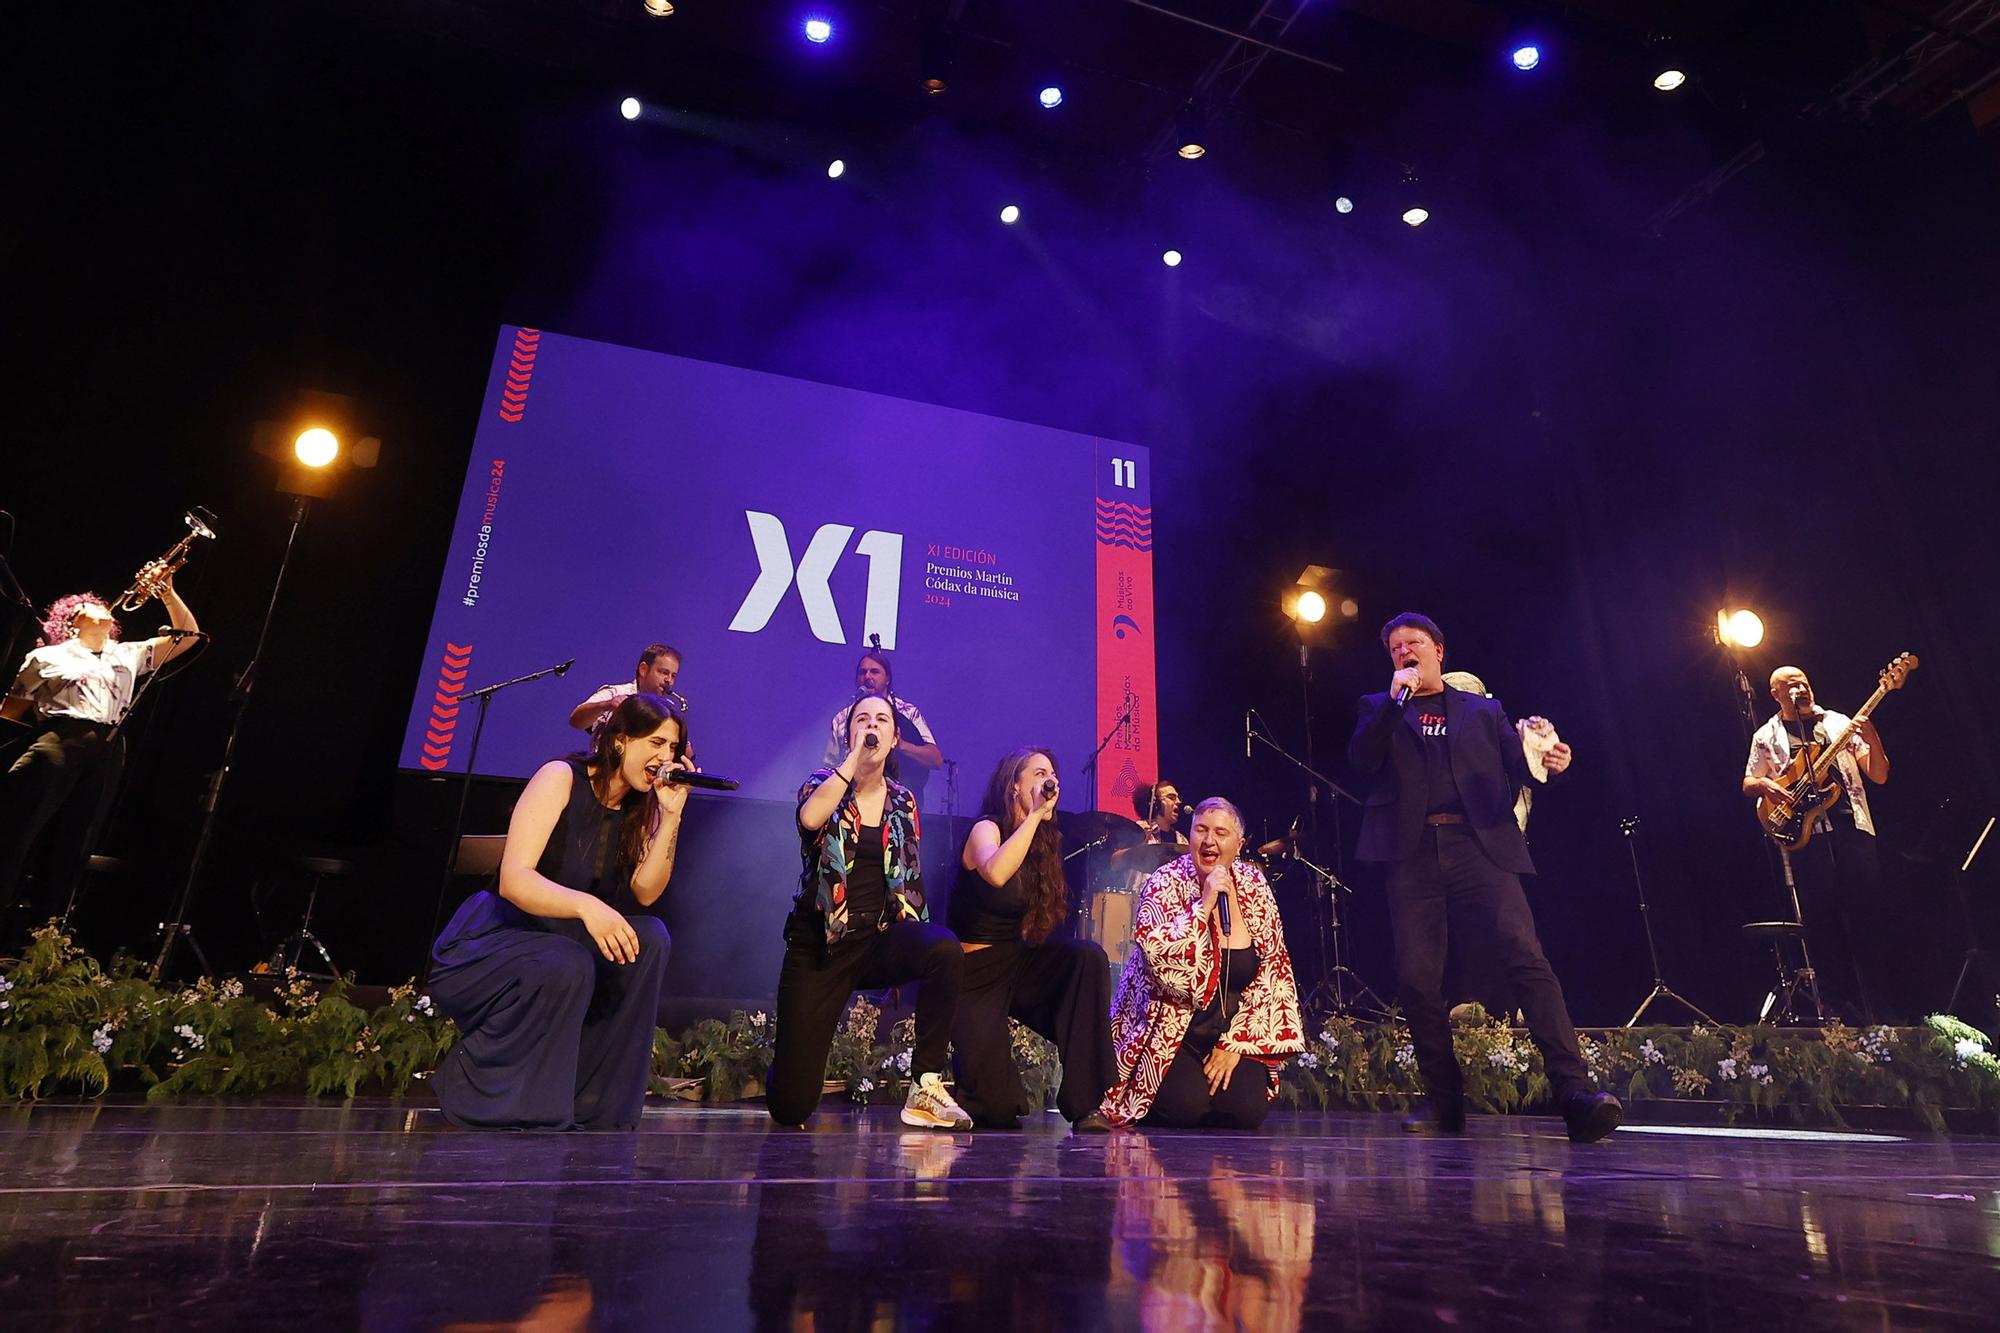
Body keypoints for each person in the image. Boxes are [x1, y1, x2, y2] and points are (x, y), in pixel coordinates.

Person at [1347, 612, 1622, 1143]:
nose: (1405, 651)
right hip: (1414, 853)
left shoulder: (1482, 709)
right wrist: (1394, 703)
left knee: (1526, 958)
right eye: (1395, 647)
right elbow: (1362, 758)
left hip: (1480, 845)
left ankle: (1575, 1094)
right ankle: (1443, 1106)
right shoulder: (1378, 708)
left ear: (1438, 651)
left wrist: (1551, 761)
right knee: (1417, 976)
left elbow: (1519, 767)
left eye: (1414, 643)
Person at [427, 692, 689, 1130]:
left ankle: (594, 1104)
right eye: (657, 744)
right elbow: (515, 880)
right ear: (621, 741)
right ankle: (504, 1103)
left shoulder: (641, 806)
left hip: (563, 944)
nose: (667, 757)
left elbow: (646, 892)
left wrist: (672, 817)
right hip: (494, 939)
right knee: (568, 961)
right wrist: (586, 906)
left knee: (651, 938)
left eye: (674, 748)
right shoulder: (559, 777)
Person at [767, 692, 971, 1129]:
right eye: (862, 719)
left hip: (876, 939)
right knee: (791, 1104)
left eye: (882, 720)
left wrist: (909, 956)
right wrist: (852, 762)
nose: (872, 726)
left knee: (943, 948)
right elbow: (810, 819)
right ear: (849, 733)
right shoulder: (822, 782)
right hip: (821, 943)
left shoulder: (903, 802)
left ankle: (926, 1085)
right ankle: (787, 1072)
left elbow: (910, 881)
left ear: (896, 737)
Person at [0, 577, 200, 933]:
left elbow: (190, 635)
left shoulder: (128, 653)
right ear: (73, 619)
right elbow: (10, 713)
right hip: (58, 741)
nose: (101, 607)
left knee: (76, 840)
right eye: (90, 605)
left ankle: (44, 933)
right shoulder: (45, 656)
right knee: (19, 829)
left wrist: (167, 590)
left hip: (108, 745)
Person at [1099, 797, 1304, 1129]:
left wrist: (1236, 1042)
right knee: (1185, 1110)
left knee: (1244, 1112)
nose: (1209, 841)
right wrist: (1205, 904)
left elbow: (1272, 968)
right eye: (1201, 831)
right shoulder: (1164, 883)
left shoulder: (1254, 885)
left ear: (1239, 844)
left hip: (1231, 1032)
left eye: (1221, 833)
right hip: (1170, 1031)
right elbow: (1164, 967)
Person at [948, 746, 1115, 1130]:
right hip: (974, 973)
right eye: (1038, 774)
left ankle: (1085, 1103)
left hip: (1015, 961)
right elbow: (995, 873)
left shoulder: (1042, 840)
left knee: (1085, 958)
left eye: (1052, 773)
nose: (1049, 780)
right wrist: (1036, 815)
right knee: (995, 1110)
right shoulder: (986, 828)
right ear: (1014, 787)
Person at [1742, 661, 1903, 1020]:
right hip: (1806, 837)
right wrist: (1768, 786)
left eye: (1804, 681)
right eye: (1792, 685)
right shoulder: (1766, 736)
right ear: (1776, 694)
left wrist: (1873, 737)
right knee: (1822, 927)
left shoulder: (1838, 723)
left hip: (1852, 831)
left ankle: (1883, 1013)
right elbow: (1749, 782)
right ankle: (1840, 1015)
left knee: (1867, 920)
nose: (1801, 688)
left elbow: (1878, 774)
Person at [823, 649, 943, 806]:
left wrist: (903, 746)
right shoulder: (842, 718)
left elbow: (935, 759)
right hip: (850, 802)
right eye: (862, 672)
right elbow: (830, 766)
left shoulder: (907, 712)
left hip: (896, 804)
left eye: (874, 672)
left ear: (887, 679)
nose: (867, 677)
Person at [569, 644, 684, 736]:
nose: (669, 680)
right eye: (664, 672)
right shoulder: (616, 693)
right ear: (643, 670)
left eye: (673, 676)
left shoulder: (669, 707)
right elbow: (575, 721)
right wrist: (606, 705)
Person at [1131, 781, 1188, 846]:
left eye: (1178, 798)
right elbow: (1120, 854)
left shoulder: (1182, 840)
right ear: (1156, 803)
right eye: (1171, 798)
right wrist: (1140, 843)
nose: (1178, 802)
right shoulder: (1140, 829)